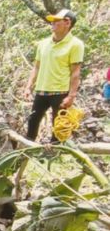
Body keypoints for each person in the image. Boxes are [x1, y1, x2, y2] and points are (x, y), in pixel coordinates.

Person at [24, 9, 85, 141]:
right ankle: (26, 153)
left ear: (67, 23)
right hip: (41, 90)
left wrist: (71, 95)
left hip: (60, 92)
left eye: (56, 21)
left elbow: (75, 72)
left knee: (58, 127)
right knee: (32, 122)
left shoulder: (76, 44)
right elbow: (36, 67)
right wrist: (28, 87)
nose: (52, 24)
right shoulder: (43, 44)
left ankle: (53, 156)